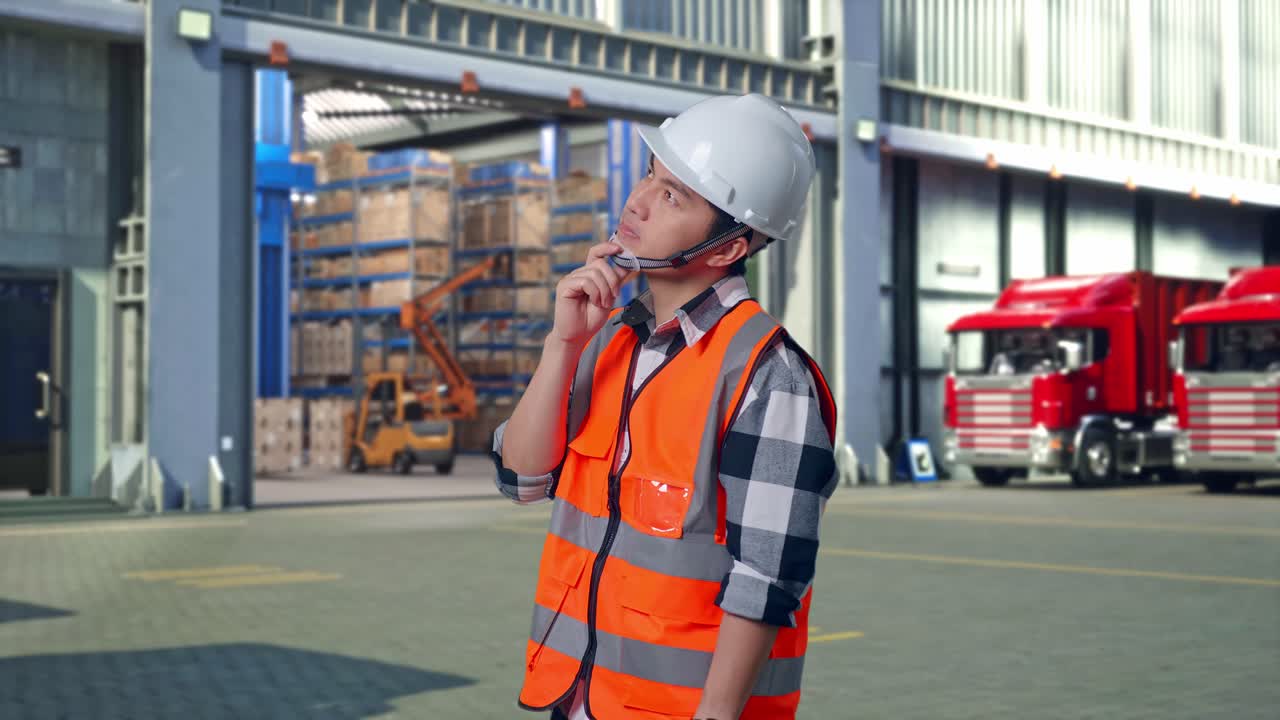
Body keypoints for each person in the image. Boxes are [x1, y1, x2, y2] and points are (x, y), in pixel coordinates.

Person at [491, 93, 838, 720]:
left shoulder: (769, 376)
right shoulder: (610, 338)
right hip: (580, 698)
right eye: (651, 175)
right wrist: (564, 341)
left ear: (728, 247)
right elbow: (521, 478)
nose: (638, 202)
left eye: (673, 195)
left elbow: (768, 577)